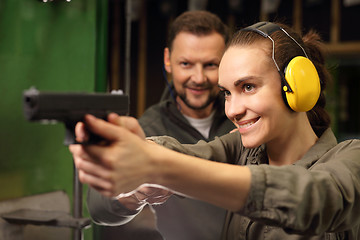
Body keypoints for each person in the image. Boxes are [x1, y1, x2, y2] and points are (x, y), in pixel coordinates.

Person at [69, 21, 360, 240]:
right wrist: (132, 173)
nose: (232, 110)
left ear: (299, 85)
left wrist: (161, 166)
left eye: (248, 87)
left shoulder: (352, 158)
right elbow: (100, 205)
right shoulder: (240, 150)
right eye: (227, 93)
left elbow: (318, 199)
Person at [92, 10, 235, 240]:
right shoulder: (149, 130)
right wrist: (134, 194)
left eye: (210, 64)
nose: (198, 78)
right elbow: (99, 207)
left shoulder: (244, 119)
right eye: (186, 64)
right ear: (168, 60)